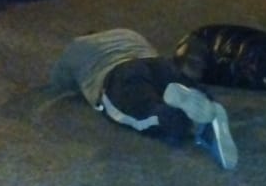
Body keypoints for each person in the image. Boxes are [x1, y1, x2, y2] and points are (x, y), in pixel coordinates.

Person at [50, 28, 238, 170]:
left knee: (145, 114)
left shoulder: (78, 44)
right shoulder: (127, 33)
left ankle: (184, 121)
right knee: (181, 82)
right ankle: (208, 104)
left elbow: (59, 81)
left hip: (117, 74)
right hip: (156, 64)